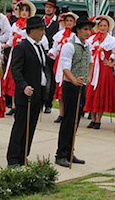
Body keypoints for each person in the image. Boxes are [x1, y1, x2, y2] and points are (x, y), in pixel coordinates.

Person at [7, 16, 50, 166]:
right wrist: (23, 85)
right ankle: (13, 159)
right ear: (31, 31)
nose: (43, 32)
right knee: (20, 126)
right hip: (26, 93)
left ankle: (23, 156)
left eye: (43, 29)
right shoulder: (21, 47)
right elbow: (16, 70)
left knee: (31, 127)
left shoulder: (39, 47)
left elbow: (42, 68)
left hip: (37, 93)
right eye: (41, 30)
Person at [55, 17, 95, 167]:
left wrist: (88, 77)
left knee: (77, 119)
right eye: (85, 29)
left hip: (81, 85)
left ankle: (70, 151)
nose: (87, 32)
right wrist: (74, 80)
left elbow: (90, 62)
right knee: (68, 120)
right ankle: (61, 154)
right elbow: (65, 67)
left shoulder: (87, 45)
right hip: (70, 87)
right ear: (77, 30)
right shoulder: (69, 46)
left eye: (89, 29)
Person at [84, 15, 115, 129]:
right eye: (100, 25)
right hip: (92, 68)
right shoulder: (92, 39)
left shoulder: (112, 41)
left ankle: (98, 120)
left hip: (104, 69)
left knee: (101, 93)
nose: (102, 28)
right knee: (92, 92)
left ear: (108, 28)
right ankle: (92, 118)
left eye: (105, 26)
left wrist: (111, 63)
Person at [48, 12, 78, 123]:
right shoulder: (59, 35)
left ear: (74, 23)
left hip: (70, 64)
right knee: (59, 88)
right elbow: (55, 48)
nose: (69, 23)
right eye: (67, 21)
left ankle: (68, 113)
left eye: (71, 21)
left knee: (67, 88)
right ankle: (61, 113)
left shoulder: (75, 36)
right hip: (59, 63)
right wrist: (51, 53)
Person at [42, 0, 59, 114]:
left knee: (51, 79)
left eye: (50, 7)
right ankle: (40, 101)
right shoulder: (41, 20)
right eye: (47, 7)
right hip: (41, 51)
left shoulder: (58, 23)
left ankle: (48, 103)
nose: (48, 9)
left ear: (54, 9)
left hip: (52, 54)